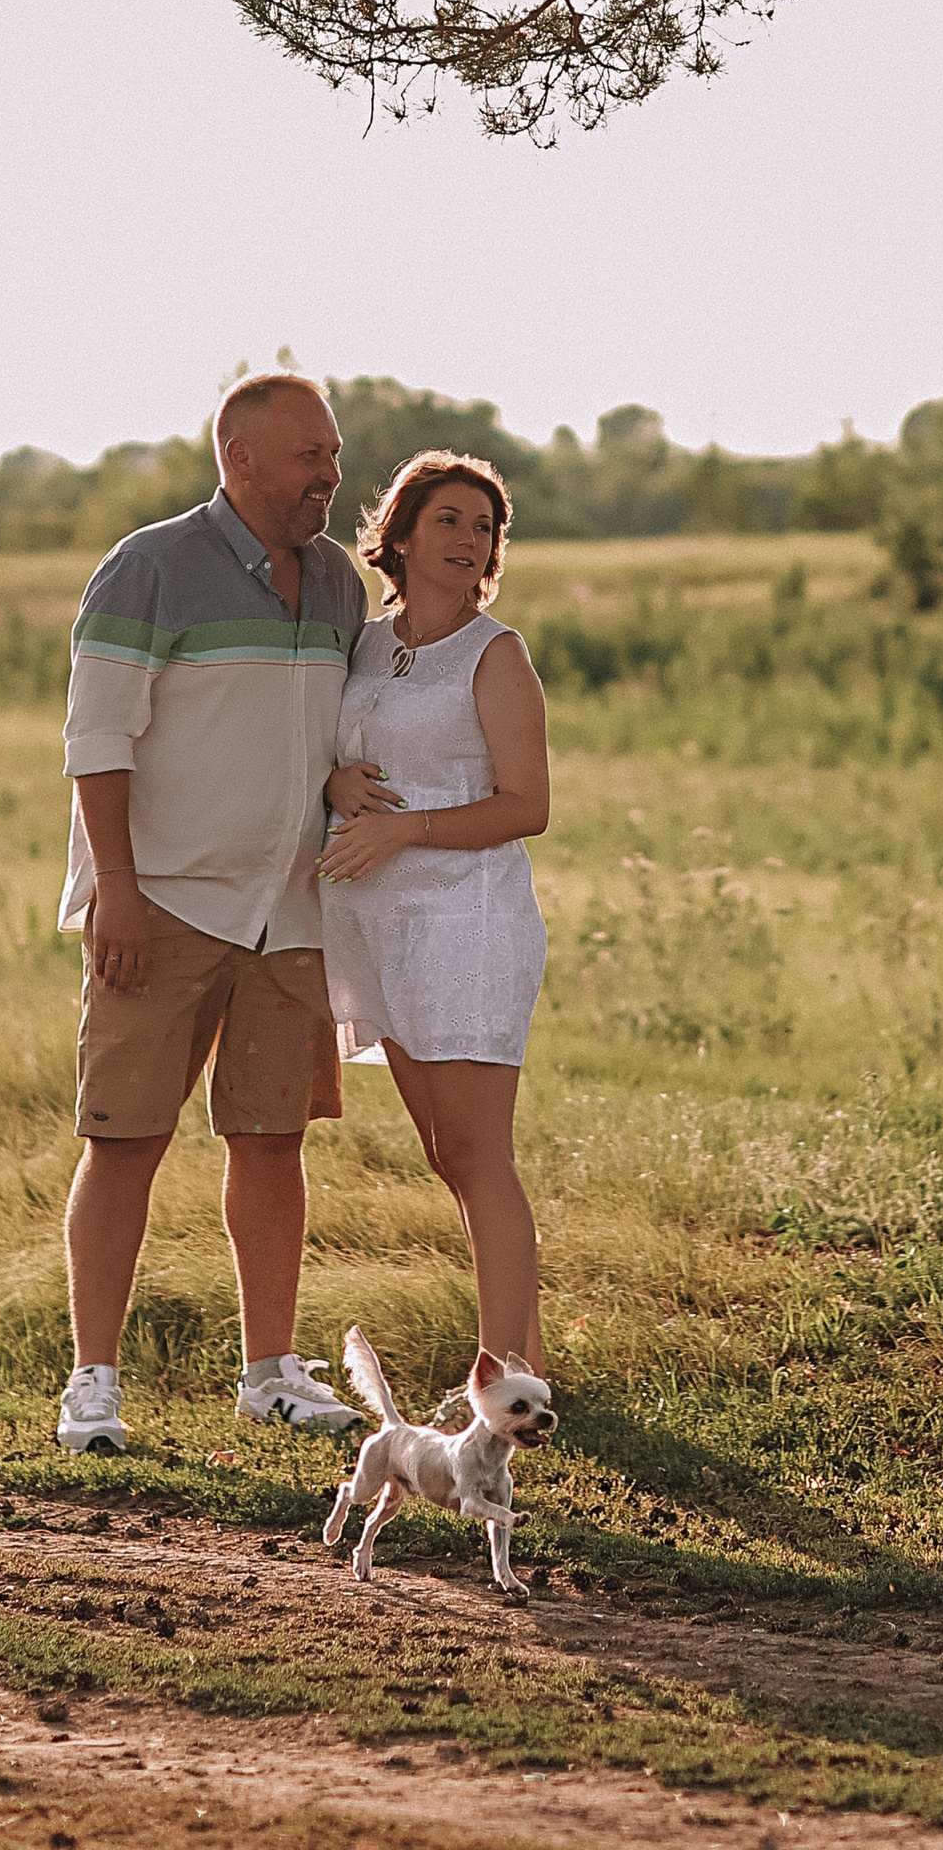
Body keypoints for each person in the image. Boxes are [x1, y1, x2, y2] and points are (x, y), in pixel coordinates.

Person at [53, 374, 368, 1456]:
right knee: (126, 1137)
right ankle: (92, 1383)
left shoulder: (335, 585)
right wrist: (119, 893)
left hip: (292, 913)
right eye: (310, 457)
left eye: (332, 454)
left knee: (272, 1141)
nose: (331, 476)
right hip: (165, 906)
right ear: (239, 459)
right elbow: (96, 740)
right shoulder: (150, 567)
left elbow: (325, 738)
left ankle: (270, 1374)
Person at [316, 451, 552, 1372]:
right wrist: (337, 778)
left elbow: (526, 805)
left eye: (485, 527)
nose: (470, 540)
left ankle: (500, 1380)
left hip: (468, 921)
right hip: (378, 924)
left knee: (478, 1152)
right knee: (446, 1152)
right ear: (402, 536)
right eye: (449, 520)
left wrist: (404, 835)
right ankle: (528, 1362)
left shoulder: (495, 655)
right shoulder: (371, 643)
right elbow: (347, 748)